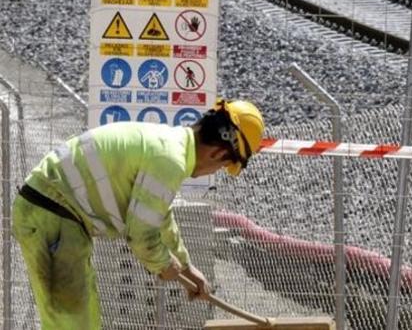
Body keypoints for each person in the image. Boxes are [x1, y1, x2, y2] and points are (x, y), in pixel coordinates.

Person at [12, 98, 265, 329]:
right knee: (71, 323)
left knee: (81, 321)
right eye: (223, 165)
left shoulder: (170, 144)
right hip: (52, 214)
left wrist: (186, 267)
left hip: (54, 214)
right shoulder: (169, 160)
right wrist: (164, 265)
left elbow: (160, 218)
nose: (216, 170)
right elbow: (142, 234)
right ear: (219, 153)